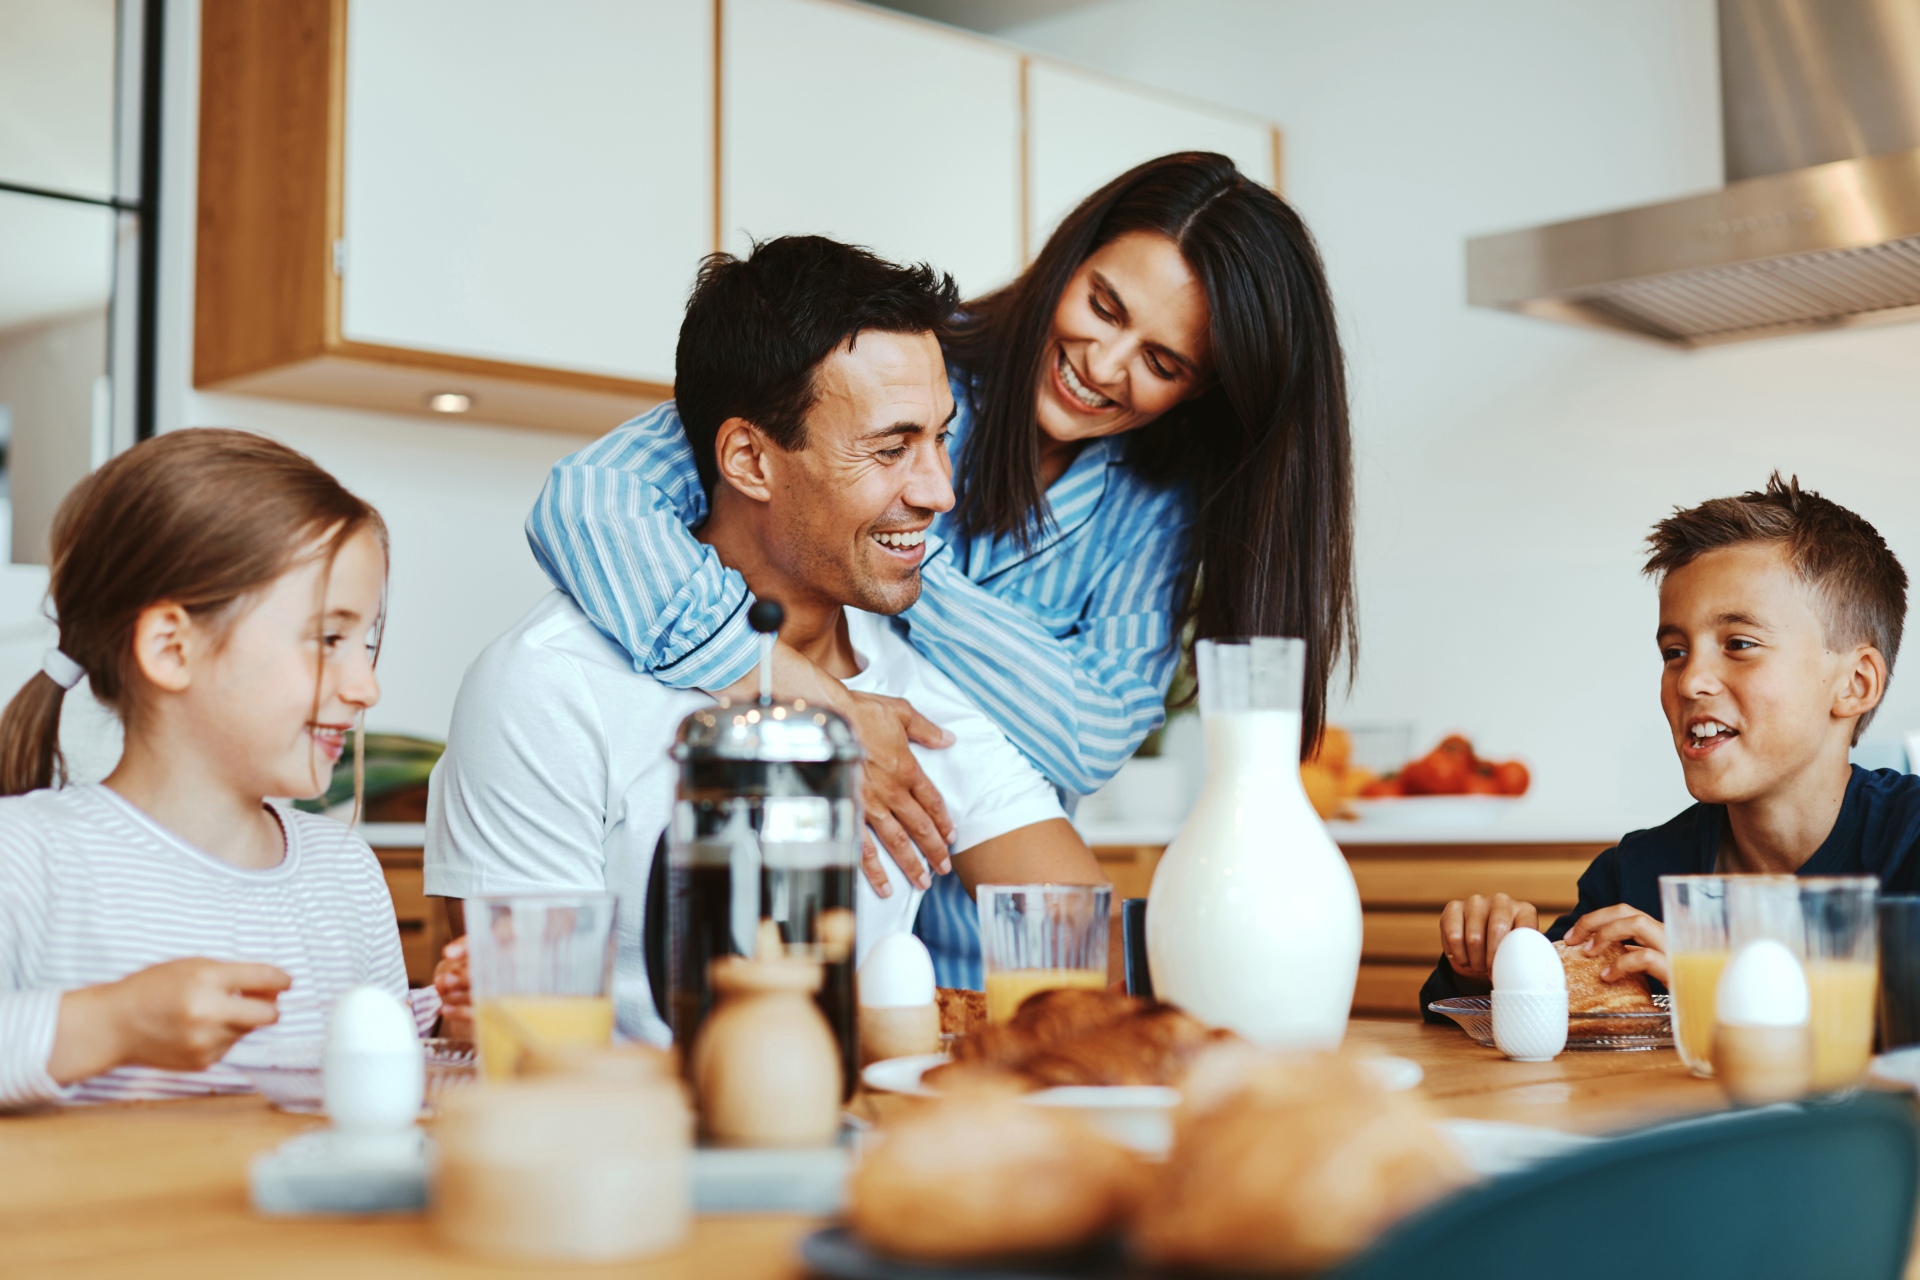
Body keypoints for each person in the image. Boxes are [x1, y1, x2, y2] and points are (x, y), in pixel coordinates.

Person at [526, 152, 1355, 985]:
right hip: (824, 928)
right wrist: (807, 690)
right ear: (1070, 256)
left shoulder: (1154, 500)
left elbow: (1095, 732)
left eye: (1164, 363)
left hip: (994, 958)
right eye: (1104, 306)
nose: (1106, 367)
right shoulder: (892, 361)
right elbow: (590, 506)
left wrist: (891, 560)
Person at [425, 237, 1108, 1042]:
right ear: (750, 459)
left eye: (940, 438)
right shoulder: (548, 685)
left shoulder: (913, 684)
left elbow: (1077, 951)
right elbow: (509, 1034)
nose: (939, 491)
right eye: (891, 449)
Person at [0, 429, 434, 1107]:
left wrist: (447, 1020)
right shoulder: (27, 855)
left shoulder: (345, 873)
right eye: (328, 639)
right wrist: (112, 1021)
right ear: (173, 648)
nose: (365, 687)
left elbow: (365, 1075)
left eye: (366, 642)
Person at [1421, 474, 1920, 1015]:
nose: (1689, 681)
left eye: (1739, 644)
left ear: (1855, 685)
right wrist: (1486, 968)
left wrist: (1722, 999)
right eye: (1674, 652)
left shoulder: (1909, 845)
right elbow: (1516, 1027)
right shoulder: (1636, 876)